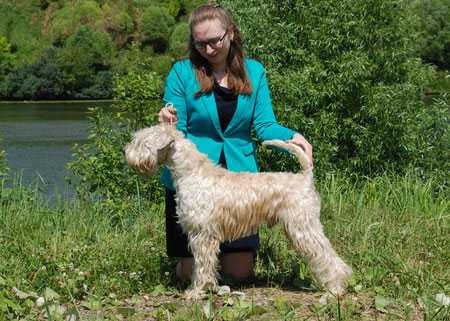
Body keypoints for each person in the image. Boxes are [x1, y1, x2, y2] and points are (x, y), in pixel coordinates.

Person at [158, 3, 313, 283]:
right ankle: (190, 269)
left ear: (230, 33)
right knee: (188, 275)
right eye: (200, 43)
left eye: (215, 40)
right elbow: (176, 128)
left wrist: (294, 137)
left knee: (239, 275)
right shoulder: (182, 72)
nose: (209, 49)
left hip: (240, 187)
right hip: (195, 184)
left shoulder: (254, 72)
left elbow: (265, 126)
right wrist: (167, 120)